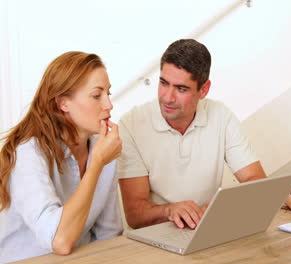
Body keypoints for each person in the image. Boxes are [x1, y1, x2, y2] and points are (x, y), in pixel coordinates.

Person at [118, 39, 266, 230]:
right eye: (163, 83)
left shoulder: (221, 116)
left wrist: (220, 208)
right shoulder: (131, 125)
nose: (167, 97)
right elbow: (135, 215)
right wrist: (169, 211)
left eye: (181, 89)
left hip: (208, 228)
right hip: (158, 235)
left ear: (204, 89)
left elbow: (256, 181)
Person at [0, 51, 123, 262]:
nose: (108, 105)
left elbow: (108, 235)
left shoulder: (103, 152)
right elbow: (59, 241)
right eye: (96, 95)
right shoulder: (28, 153)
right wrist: (96, 166)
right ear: (62, 103)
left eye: (108, 94)